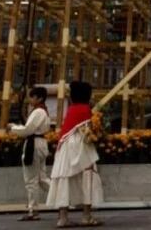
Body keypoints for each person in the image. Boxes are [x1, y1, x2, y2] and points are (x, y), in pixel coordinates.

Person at [46, 81, 103, 228]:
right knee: (87, 178)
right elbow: (88, 130)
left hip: (66, 146)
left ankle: (63, 218)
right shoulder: (85, 109)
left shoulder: (71, 109)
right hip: (81, 145)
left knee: (65, 178)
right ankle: (86, 216)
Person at [9, 86, 51, 222]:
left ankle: (33, 210)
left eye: (32, 97)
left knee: (31, 180)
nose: (30, 99)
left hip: (34, 145)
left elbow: (28, 130)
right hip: (40, 143)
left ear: (39, 98)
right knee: (41, 178)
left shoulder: (38, 111)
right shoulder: (43, 110)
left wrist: (13, 128)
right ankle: (64, 198)